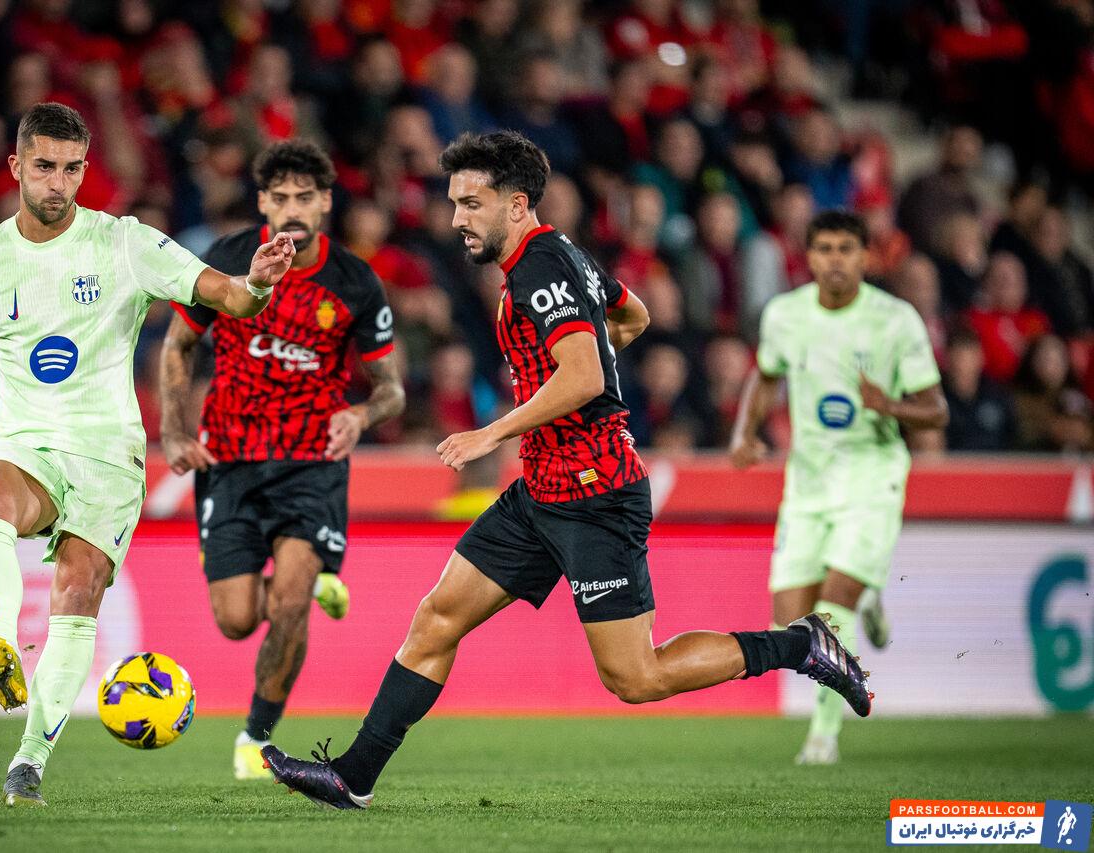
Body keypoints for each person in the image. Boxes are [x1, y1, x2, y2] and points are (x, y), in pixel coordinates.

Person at [261, 131, 872, 810]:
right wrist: (586, 362)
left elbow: (583, 376)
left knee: (636, 677)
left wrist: (493, 430)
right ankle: (354, 775)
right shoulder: (560, 254)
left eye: (472, 203)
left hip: (595, 492)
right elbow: (631, 315)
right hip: (542, 488)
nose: (457, 218)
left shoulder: (540, 267)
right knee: (436, 619)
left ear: (516, 204)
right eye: (455, 202)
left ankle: (798, 645)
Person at [0, 102, 295, 807]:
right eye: (44, 167)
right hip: (25, 437)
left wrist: (256, 282)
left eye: (72, 169)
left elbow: (226, 297)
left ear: (84, 170)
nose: (58, 183)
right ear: (15, 166)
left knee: (78, 592)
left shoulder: (125, 243)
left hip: (106, 453)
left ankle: (29, 761)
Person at [158, 139, 405, 781]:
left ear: (325, 203)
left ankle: (256, 736)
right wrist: (173, 432)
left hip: (311, 463)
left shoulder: (354, 281)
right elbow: (178, 345)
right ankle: (315, 579)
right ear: (263, 203)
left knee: (290, 601)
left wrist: (361, 415)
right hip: (230, 457)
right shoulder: (228, 260)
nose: (292, 209)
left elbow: (392, 389)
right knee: (237, 619)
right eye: (280, 197)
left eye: (305, 197)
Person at [730, 210, 948, 766]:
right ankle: (871, 595)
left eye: (846, 249)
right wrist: (745, 432)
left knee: (833, 608)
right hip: (808, 481)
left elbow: (935, 410)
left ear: (865, 257)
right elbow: (767, 374)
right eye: (824, 249)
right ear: (808, 257)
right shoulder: (785, 314)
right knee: (789, 623)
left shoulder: (895, 320)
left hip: (872, 475)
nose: (834, 260)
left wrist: (889, 405)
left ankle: (822, 737)